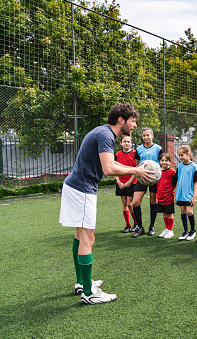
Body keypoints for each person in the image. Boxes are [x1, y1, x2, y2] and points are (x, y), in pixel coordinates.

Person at [59, 103, 153, 304]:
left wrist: (134, 167)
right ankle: (89, 293)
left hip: (77, 188)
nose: (134, 125)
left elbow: (111, 163)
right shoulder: (106, 135)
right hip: (82, 191)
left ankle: (82, 282)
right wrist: (136, 172)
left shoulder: (103, 132)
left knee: (79, 235)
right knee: (88, 239)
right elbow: (109, 169)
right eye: (133, 121)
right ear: (121, 120)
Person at [131, 127, 163, 238]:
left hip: (154, 179)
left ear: (152, 136)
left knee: (153, 202)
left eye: (148, 135)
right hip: (141, 178)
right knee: (135, 202)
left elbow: (163, 164)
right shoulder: (139, 149)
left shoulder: (158, 148)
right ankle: (140, 228)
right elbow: (137, 166)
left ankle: (152, 226)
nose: (146, 137)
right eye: (144, 135)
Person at [175, 145, 197, 241]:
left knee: (189, 211)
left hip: (189, 194)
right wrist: (175, 195)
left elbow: (196, 182)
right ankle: (185, 231)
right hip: (180, 194)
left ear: (188, 154)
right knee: (182, 211)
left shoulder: (193, 166)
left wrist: (194, 196)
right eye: (179, 155)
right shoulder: (180, 166)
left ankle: (193, 231)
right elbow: (177, 181)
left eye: (182, 155)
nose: (180, 157)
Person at [114, 135, 138, 233]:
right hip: (121, 182)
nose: (126, 143)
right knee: (124, 203)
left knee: (130, 204)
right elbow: (114, 168)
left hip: (131, 182)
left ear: (131, 143)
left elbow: (136, 169)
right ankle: (127, 225)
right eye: (124, 141)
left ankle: (136, 224)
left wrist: (129, 181)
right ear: (121, 143)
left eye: (128, 141)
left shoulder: (135, 153)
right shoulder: (117, 154)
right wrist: (118, 181)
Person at [156, 153, 177, 239]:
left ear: (169, 161)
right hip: (160, 196)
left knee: (169, 214)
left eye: (166, 160)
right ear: (159, 161)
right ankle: (166, 229)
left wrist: (175, 196)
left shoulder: (172, 172)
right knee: (164, 214)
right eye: (162, 160)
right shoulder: (157, 171)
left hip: (169, 196)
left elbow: (175, 185)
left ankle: (170, 230)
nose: (164, 162)